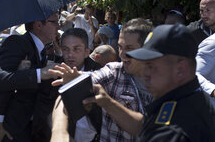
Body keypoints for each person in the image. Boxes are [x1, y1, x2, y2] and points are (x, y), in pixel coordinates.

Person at [52, 24, 215, 142]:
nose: (145, 73)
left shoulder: (176, 131)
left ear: (180, 69)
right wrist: (108, 104)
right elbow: (145, 126)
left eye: (151, 66)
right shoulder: (183, 96)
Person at [50, 18, 153, 141]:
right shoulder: (114, 72)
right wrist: (59, 133)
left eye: (129, 48)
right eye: (120, 47)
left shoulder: (168, 80)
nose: (122, 54)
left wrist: (109, 104)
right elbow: (67, 95)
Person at [0, 13, 60, 142]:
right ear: (38, 25)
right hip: (8, 130)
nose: (58, 26)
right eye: (54, 22)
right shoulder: (17, 43)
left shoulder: (43, 50)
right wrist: (39, 74)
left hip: (31, 129)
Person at [60, 28, 102, 142]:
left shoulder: (100, 73)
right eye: (65, 49)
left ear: (87, 52)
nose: (70, 54)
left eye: (76, 49)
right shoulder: (55, 72)